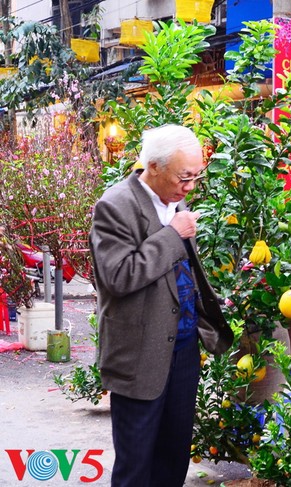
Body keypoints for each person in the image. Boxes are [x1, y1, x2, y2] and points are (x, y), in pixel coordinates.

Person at [90, 124, 233, 487]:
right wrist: (172, 235)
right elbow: (118, 276)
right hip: (139, 353)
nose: (190, 187)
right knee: (136, 465)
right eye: (184, 177)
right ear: (153, 166)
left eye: (196, 177)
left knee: (173, 458)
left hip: (183, 348)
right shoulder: (115, 205)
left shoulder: (174, 200)